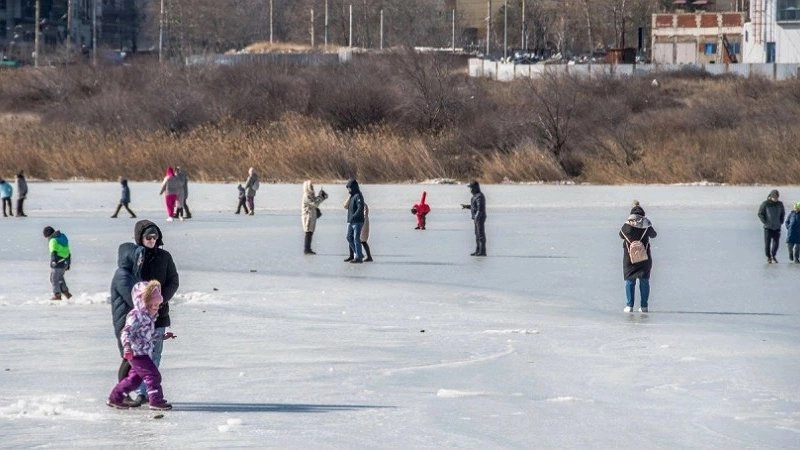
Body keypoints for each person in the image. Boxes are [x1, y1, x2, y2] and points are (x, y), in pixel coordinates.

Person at [123, 220, 179, 406]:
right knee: (140, 356)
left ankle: (148, 392)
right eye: (148, 237)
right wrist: (142, 304)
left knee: (155, 354)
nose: (152, 240)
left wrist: (161, 300)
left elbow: (173, 280)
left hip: (160, 314)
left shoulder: (165, 256)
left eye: (155, 236)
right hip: (140, 315)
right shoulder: (136, 257)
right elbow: (129, 283)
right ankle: (139, 391)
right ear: (140, 237)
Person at [107, 280, 175, 411]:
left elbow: (148, 335)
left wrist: (163, 336)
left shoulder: (148, 317)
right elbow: (126, 332)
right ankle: (156, 401)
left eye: (157, 305)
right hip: (137, 353)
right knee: (153, 375)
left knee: (134, 379)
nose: (155, 308)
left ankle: (115, 398)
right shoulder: (136, 316)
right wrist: (127, 347)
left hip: (143, 352)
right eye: (152, 305)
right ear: (143, 302)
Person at [110, 242, 143, 381]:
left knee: (131, 357)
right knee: (128, 357)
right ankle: (120, 395)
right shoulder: (122, 275)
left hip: (131, 320)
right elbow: (133, 299)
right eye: (137, 257)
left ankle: (122, 393)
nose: (140, 260)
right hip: (124, 322)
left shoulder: (132, 273)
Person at [619, 201, 658, 313]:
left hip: (629, 258)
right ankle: (644, 306)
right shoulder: (647, 224)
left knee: (629, 280)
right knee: (644, 280)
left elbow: (621, 235)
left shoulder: (627, 225)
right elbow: (654, 235)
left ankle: (629, 305)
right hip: (644, 257)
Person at [43, 226, 72, 300]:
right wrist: (68, 263)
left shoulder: (53, 241)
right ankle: (66, 293)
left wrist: (53, 261)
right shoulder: (62, 238)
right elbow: (68, 251)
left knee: (54, 278)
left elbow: (53, 252)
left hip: (58, 261)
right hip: (65, 261)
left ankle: (57, 295)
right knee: (60, 278)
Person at [758, 189, 785, 264]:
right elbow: (760, 213)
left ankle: (773, 255)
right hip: (768, 228)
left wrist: (781, 221)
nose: (775, 198)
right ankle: (768, 257)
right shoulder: (765, 204)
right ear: (771, 196)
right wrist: (765, 222)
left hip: (777, 227)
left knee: (776, 244)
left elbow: (783, 213)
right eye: (774, 197)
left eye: (777, 197)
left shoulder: (780, 204)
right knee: (767, 244)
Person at [301, 180, 328, 255]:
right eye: (311, 186)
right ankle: (306, 249)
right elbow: (314, 204)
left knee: (310, 232)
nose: (312, 188)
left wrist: (321, 196)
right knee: (308, 232)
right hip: (307, 217)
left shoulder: (310, 195)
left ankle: (308, 248)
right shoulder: (306, 195)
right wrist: (320, 197)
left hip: (311, 216)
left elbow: (315, 202)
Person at [461, 180, 486, 256]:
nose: (470, 190)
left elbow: (480, 208)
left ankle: (482, 251)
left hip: (479, 218)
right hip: (476, 218)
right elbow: (474, 207)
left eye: (471, 188)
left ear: (475, 188)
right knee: (477, 234)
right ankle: (478, 250)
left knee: (480, 235)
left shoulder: (479, 196)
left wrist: (477, 217)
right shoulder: (475, 196)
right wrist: (467, 206)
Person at [344, 178, 366, 263]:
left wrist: (354, 216)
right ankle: (358, 254)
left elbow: (360, 207)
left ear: (353, 187)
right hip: (350, 221)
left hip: (357, 221)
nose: (348, 189)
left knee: (356, 238)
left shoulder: (358, 195)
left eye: (349, 187)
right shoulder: (351, 196)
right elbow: (345, 206)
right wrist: (350, 218)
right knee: (349, 237)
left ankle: (359, 258)